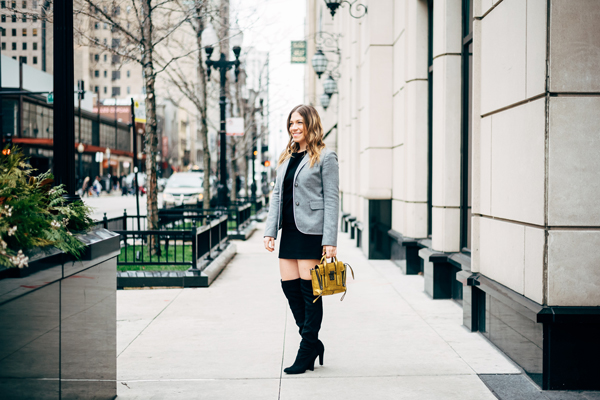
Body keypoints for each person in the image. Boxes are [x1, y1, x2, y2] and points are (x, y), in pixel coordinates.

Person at [263, 104, 339, 375]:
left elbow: (331, 198)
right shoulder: (286, 156)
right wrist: (270, 230)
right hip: (290, 232)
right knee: (290, 289)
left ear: (310, 124)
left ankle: (306, 350)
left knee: (311, 296)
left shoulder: (325, 156)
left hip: (312, 233)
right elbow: (276, 195)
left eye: (299, 122)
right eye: (291, 123)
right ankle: (314, 342)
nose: (294, 127)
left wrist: (330, 239)